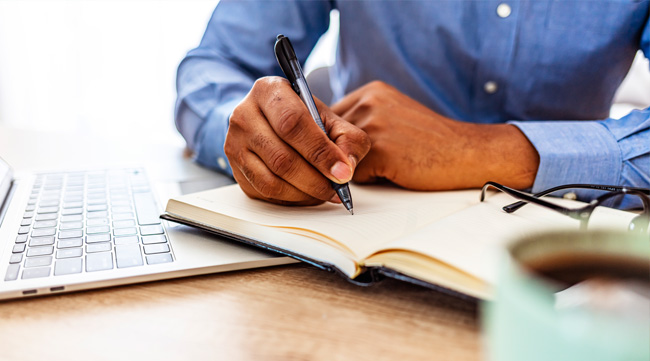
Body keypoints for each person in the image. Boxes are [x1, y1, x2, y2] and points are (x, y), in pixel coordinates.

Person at [175, 1, 649, 209]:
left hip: (577, 259)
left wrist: (483, 151)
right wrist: (255, 135)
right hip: (352, 239)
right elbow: (215, 66)